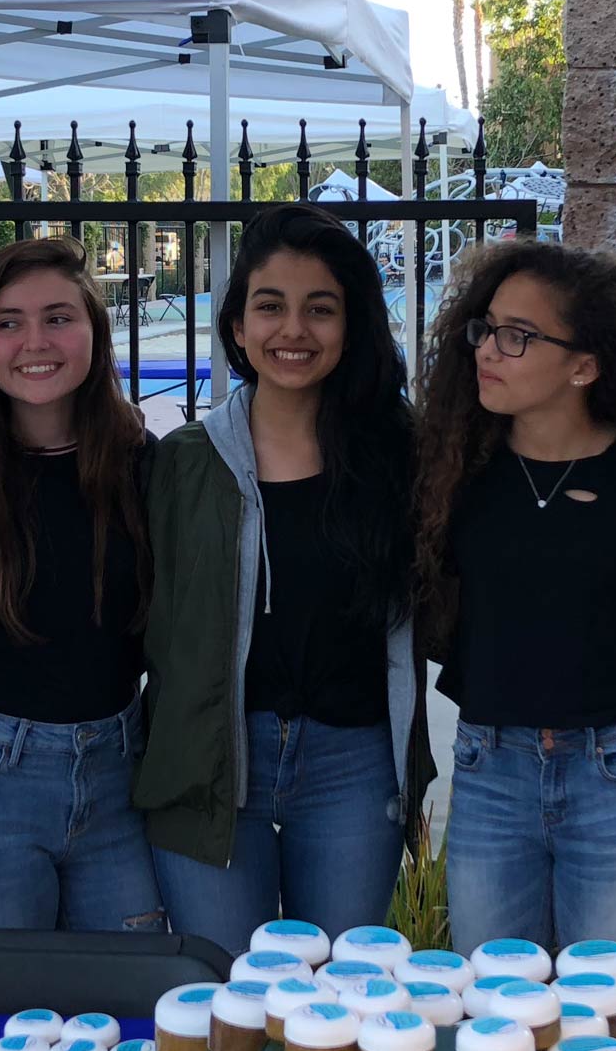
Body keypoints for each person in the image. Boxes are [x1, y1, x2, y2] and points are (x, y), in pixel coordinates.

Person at [136, 202, 422, 954]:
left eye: (319, 309)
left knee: (341, 1002)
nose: (293, 330)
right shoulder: (182, 463)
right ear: (236, 325)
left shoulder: (402, 460)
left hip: (352, 769)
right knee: (226, 1001)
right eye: (271, 306)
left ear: (352, 325)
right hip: (212, 765)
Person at [416, 240, 616, 954]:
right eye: (487, 328)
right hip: (489, 772)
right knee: (497, 1017)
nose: (488, 349)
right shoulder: (456, 468)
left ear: (584, 365)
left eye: (519, 336)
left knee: (600, 1016)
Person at [0, 237, 164, 935]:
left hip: (121, 772)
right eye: (8, 322)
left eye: (58, 317)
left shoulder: (144, 464)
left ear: (94, 328)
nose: (35, 341)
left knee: (130, 1011)